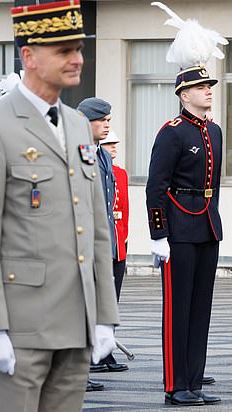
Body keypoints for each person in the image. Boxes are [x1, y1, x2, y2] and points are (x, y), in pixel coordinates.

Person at [0, 1, 120, 411]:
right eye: (63, 50)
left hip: (76, 321)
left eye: (78, 49)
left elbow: (96, 225)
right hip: (20, 327)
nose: (77, 59)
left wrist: (104, 314)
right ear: (28, 56)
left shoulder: (78, 124)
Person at [146, 66, 222, 407]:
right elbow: (156, 187)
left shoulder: (215, 131)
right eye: (200, 86)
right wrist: (159, 234)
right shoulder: (172, 132)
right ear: (183, 94)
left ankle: (193, 380)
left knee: (200, 309)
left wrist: (213, 221)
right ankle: (176, 386)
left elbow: (214, 185)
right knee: (178, 310)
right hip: (178, 229)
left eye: (209, 85)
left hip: (206, 225)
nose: (208, 90)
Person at [78, 98, 128, 375]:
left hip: (103, 242)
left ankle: (92, 360)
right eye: (102, 120)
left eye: (109, 120)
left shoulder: (102, 155)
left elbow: (106, 205)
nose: (107, 125)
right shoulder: (75, 150)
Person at [100, 131, 129, 301]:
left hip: (118, 236)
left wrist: (124, 236)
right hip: (103, 235)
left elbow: (125, 208)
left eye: (114, 144)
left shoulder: (121, 173)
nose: (113, 147)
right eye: (108, 144)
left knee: (114, 293)